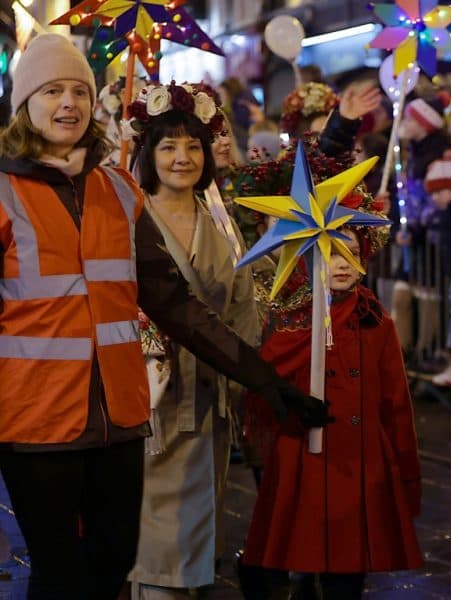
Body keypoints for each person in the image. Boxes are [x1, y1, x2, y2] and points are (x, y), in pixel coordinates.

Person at [0, 33, 325, 599]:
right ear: (25, 103)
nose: (68, 104)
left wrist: (262, 377)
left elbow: (175, 303)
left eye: (78, 90)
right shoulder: (3, 192)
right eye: (52, 91)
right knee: (58, 574)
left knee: (114, 562)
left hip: (119, 418)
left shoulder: (119, 190)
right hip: (36, 421)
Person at [241, 196, 421, 600]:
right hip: (304, 456)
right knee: (303, 560)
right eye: (331, 252)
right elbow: (264, 386)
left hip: (359, 463)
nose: (342, 263)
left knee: (347, 572)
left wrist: (406, 470)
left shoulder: (375, 320)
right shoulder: (290, 320)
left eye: (351, 253)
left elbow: (396, 402)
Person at [124, 82, 260, 598]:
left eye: (193, 146)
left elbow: (244, 302)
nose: (182, 158)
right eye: (168, 146)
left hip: (211, 400)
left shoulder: (221, 224)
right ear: (147, 153)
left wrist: (245, 378)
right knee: (157, 546)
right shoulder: (132, 221)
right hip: (153, 402)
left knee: (201, 533)